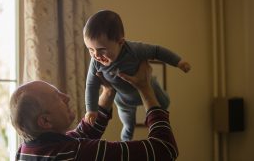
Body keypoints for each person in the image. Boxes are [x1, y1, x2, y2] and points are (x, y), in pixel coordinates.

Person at [10, 61, 178, 160]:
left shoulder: (26, 150)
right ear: (45, 121)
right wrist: (146, 89)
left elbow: (83, 133)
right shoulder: (77, 153)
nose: (66, 97)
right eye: (57, 97)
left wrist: (108, 92)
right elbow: (164, 149)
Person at [84, 9, 191, 140]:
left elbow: (157, 51)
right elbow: (91, 85)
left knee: (164, 103)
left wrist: (179, 62)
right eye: (90, 49)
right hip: (124, 100)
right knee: (128, 125)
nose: (96, 55)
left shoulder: (133, 50)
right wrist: (91, 109)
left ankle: (152, 121)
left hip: (149, 87)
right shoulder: (95, 62)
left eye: (102, 50)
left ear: (120, 43)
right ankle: (125, 142)